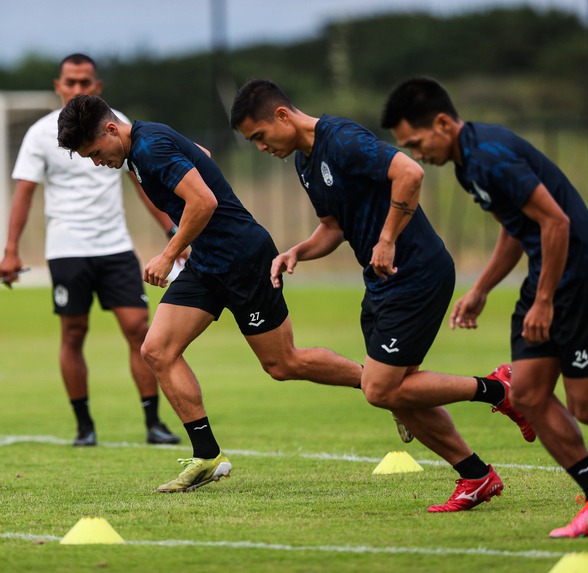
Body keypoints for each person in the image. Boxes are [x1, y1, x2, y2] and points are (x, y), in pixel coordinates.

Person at [230, 79, 534, 513]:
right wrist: (297, 250)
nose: (260, 148)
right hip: (380, 281)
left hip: (417, 272)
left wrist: (388, 237)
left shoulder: (343, 139)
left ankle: (497, 389)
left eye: (259, 137)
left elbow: (410, 172)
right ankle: (476, 476)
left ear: (282, 116)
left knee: (379, 388)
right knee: (401, 392)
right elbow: (333, 227)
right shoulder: (304, 161)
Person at [57, 94, 376, 493]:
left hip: (243, 259)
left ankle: (380, 386)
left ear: (109, 129)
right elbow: (201, 154)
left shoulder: (149, 147)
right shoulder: (141, 145)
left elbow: (203, 201)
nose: (96, 162)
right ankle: (207, 455)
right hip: (208, 263)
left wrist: (168, 253)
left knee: (282, 364)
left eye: (94, 152)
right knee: (157, 350)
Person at [381, 76, 588, 537]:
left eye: (415, 142)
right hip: (549, 275)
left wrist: (544, 299)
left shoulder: (489, 156)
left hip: (582, 276)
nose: (416, 154)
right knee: (526, 394)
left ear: (443, 123)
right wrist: (481, 288)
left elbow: (556, 221)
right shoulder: (467, 162)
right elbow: (515, 227)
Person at [0, 53, 181, 447]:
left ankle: (153, 422)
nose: (77, 89)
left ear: (97, 87)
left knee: (139, 330)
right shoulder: (40, 134)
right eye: (70, 82)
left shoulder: (118, 125)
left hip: (115, 246)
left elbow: (143, 181)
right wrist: (10, 250)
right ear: (57, 86)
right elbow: (24, 194)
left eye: (85, 83)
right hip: (67, 249)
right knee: (73, 332)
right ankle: (84, 427)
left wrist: (171, 228)